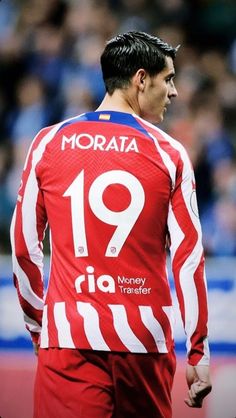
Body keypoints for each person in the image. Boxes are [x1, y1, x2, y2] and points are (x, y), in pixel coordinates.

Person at [10, 31, 212, 418]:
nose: (173, 92)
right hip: (144, 346)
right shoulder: (169, 153)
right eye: (167, 79)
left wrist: (39, 327)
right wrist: (199, 350)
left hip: (68, 340)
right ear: (140, 79)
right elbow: (188, 258)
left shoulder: (48, 142)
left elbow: (23, 247)